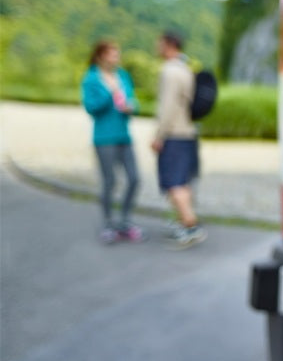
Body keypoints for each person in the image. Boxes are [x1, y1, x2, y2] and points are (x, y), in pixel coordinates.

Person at [81, 40, 144, 244]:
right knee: (110, 181)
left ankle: (125, 220)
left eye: (117, 54)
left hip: (123, 136)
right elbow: (91, 108)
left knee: (134, 179)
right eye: (112, 54)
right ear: (101, 56)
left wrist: (131, 106)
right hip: (104, 138)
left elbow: (133, 101)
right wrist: (110, 94)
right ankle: (108, 224)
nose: (116, 58)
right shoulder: (91, 79)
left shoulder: (123, 76)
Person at [152, 31, 207, 248]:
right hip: (189, 132)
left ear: (168, 45)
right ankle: (184, 224)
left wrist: (159, 135)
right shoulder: (186, 68)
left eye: (159, 43)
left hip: (174, 133)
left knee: (173, 182)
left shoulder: (170, 71)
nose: (157, 47)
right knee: (183, 181)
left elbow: (167, 107)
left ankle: (191, 226)